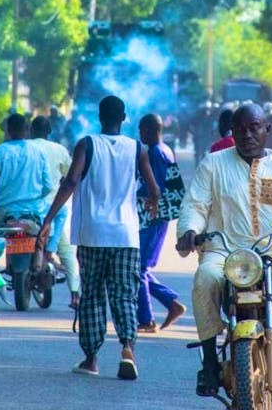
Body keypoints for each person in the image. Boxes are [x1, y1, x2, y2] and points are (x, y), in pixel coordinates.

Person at [177, 103, 272, 396]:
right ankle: (209, 362)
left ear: (267, 129)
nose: (247, 135)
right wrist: (189, 231)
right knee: (204, 281)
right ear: (231, 132)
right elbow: (195, 205)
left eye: (254, 128)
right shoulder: (213, 164)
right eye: (241, 129)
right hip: (225, 251)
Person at [38, 95, 159, 380]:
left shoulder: (87, 144)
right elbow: (153, 189)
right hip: (126, 236)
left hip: (92, 233)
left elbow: (70, 181)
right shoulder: (137, 149)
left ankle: (91, 359)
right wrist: (151, 203)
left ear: (99, 116)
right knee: (124, 295)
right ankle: (128, 349)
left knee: (92, 295)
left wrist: (48, 219)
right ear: (124, 117)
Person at [136, 113, 186, 333]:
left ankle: (146, 319)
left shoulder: (155, 152)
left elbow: (156, 188)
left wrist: (139, 193)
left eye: (141, 130)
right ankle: (171, 303)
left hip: (154, 216)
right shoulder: (166, 149)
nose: (139, 134)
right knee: (140, 268)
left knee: (139, 268)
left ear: (149, 129)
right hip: (158, 215)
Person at [30, 115, 79, 308]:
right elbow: (70, 176)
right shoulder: (59, 150)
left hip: (27, 209)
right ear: (49, 132)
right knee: (66, 252)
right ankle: (75, 292)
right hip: (54, 207)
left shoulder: (25, 148)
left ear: (30, 131)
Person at [0, 113, 52, 225]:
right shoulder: (38, 151)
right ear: (26, 128)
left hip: (3, 210)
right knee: (42, 237)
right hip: (33, 210)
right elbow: (48, 186)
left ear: (8, 130)